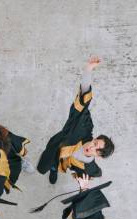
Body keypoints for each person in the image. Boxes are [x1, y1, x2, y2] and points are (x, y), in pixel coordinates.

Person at [37, 56, 115, 184]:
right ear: (94, 139)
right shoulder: (83, 126)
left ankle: (55, 169)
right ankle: (53, 169)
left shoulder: (89, 166)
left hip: (68, 162)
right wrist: (88, 69)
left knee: (61, 165)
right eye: (95, 144)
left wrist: (82, 183)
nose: (91, 148)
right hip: (57, 148)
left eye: (97, 151)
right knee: (51, 162)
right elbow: (84, 100)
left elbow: (96, 174)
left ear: (99, 156)